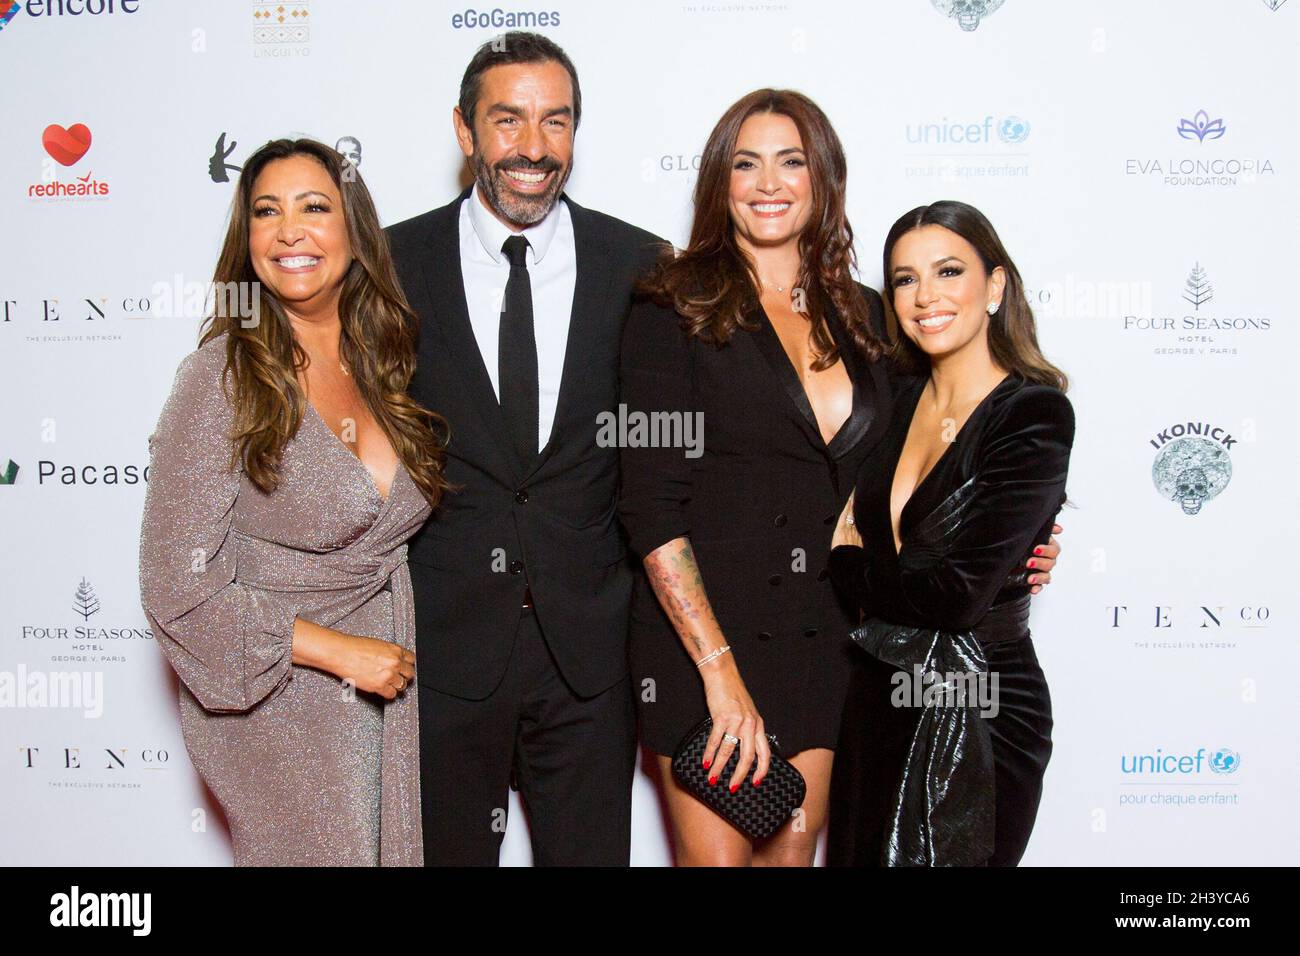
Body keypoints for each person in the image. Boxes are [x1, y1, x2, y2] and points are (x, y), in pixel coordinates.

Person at [618, 93, 1060, 866]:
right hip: (704, 652)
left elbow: (936, 454)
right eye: (745, 163)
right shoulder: (674, 306)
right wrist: (719, 677)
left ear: (822, 177)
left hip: (827, 646)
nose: (768, 182)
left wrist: (1021, 535)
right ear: (720, 181)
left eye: (791, 161)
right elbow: (650, 507)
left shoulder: (865, 317)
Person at [385, 32, 663, 865]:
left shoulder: (641, 264)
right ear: (466, 132)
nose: (534, 148)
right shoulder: (392, 264)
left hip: (591, 658)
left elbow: (701, 448)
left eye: (556, 121)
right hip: (440, 649)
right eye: (508, 121)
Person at [139, 138, 449, 866]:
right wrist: (340, 653)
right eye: (266, 212)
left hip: (386, 694)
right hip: (282, 701)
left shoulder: (386, 359)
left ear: (354, 228)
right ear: (246, 240)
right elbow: (174, 587)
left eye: (315, 207)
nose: (289, 231)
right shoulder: (222, 375)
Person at [826, 200, 1074, 867]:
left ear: (995, 286)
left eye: (948, 271)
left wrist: (847, 564)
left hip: (981, 704)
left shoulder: (1033, 413)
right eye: (904, 279)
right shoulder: (892, 400)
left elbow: (956, 596)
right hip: (877, 696)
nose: (925, 295)